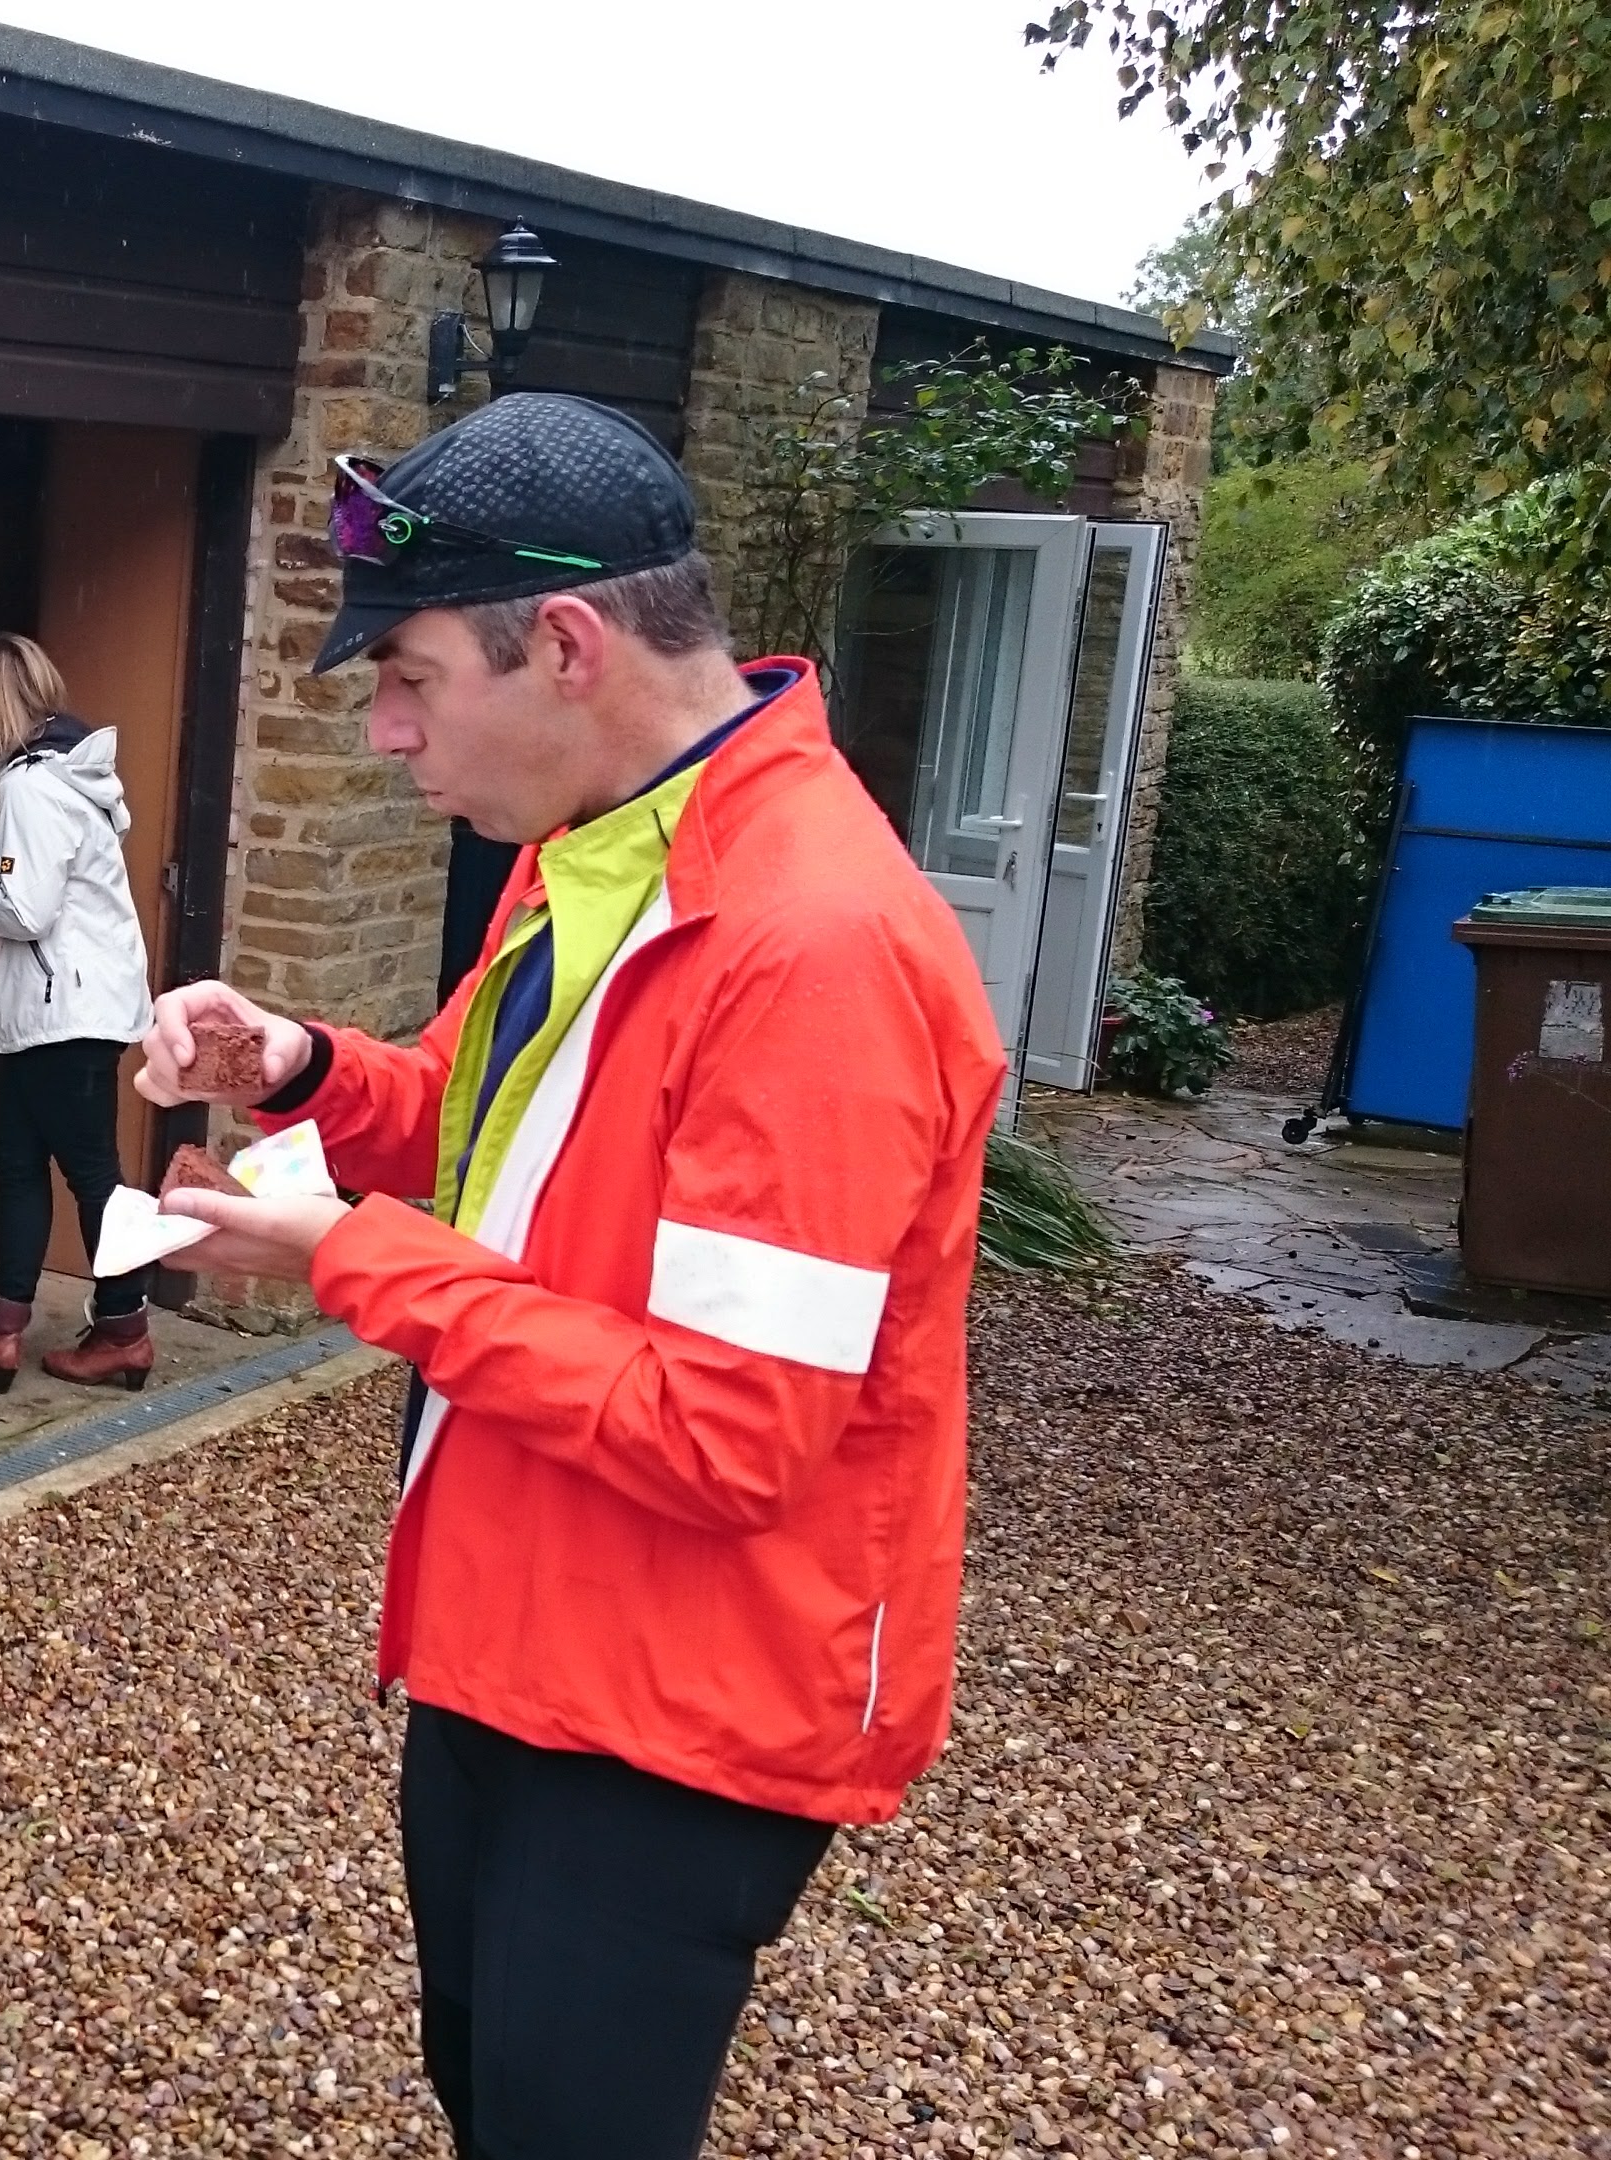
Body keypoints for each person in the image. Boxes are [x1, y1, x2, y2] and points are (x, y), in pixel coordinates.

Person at [137, 393, 1001, 2160]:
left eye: (413, 679)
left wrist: (357, 1261)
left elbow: (730, 1436)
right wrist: (296, 1068)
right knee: (489, 2092)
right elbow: (483, 1121)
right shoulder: (598, 842)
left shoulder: (811, 944)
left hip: (681, 1712)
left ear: (572, 646)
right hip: (517, 1632)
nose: (384, 735)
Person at [0, 633, 160, 1391]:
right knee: (18, 1166)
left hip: (65, 1014)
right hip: (56, 1012)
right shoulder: (59, 778)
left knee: (93, 1177)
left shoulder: (28, 787)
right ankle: (0, 1329)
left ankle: (124, 1331)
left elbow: (22, 909)